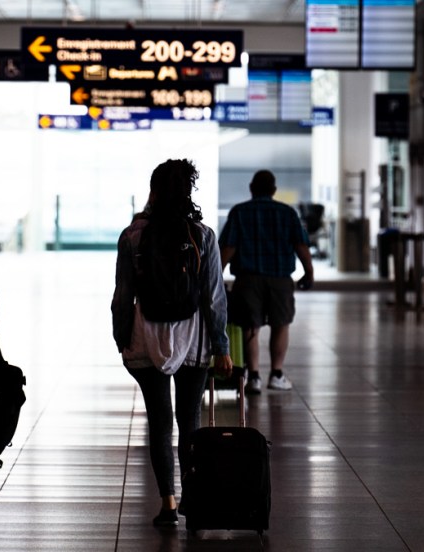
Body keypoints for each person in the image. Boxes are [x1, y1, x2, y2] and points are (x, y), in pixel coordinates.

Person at [111, 159, 233, 528]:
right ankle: (193, 502)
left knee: (160, 423)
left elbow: (122, 296)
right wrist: (222, 346)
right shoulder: (202, 235)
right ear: (188, 192)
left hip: (146, 339)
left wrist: (122, 338)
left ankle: (167, 502)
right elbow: (214, 298)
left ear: (153, 191)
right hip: (193, 341)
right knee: (189, 421)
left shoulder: (132, 235)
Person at [219, 169, 314, 394]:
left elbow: (229, 247)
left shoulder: (240, 212)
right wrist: (309, 272)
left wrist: (216, 276)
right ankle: (277, 374)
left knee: (250, 326)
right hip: (280, 279)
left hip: (248, 279)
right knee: (281, 324)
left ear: (252, 188)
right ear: (274, 190)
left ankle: (253, 377)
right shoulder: (287, 213)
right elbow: (301, 245)